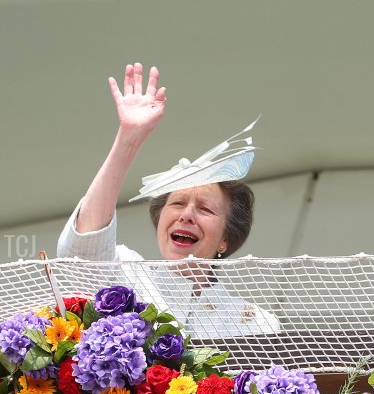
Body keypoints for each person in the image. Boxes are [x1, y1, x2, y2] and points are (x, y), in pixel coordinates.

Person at [57, 62, 279, 337]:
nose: (186, 215)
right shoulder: (125, 276)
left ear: (225, 239)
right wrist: (128, 139)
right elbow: (81, 251)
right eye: (177, 203)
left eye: (205, 208)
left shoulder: (257, 323)